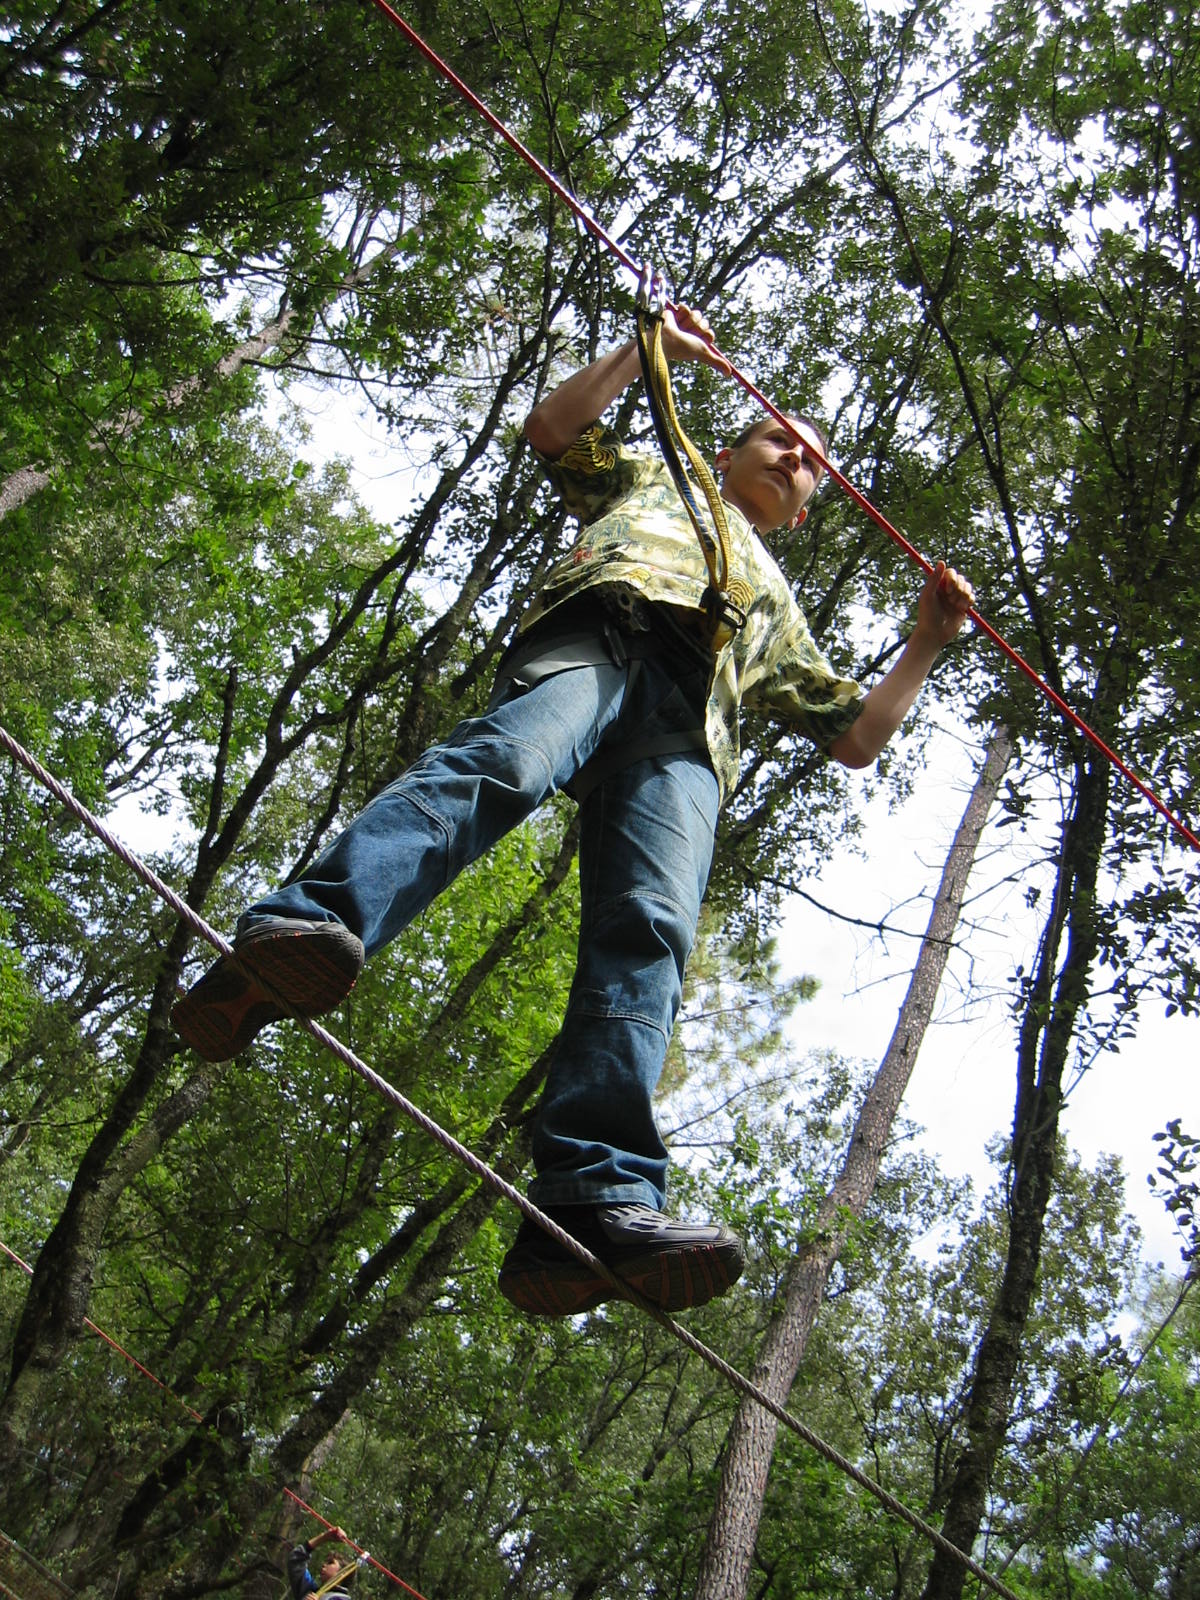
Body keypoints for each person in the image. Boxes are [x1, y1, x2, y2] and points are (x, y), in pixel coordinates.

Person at [172, 305, 974, 1319]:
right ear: (732, 448)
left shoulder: (779, 603)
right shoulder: (657, 475)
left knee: (653, 929)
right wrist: (649, 351)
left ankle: (594, 1200)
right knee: (505, 764)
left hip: (691, 731)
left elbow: (855, 736)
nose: (795, 457)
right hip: (608, 632)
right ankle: (302, 929)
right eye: (781, 437)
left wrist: (926, 640)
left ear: (809, 509)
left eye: (812, 463)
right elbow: (555, 430)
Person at [287, 1525, 354, 1599]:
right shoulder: (311, 1592)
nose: (324, 1565)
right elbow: (296, 1560)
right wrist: (324, 1537)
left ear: (343, 1573)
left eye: (330, 1562)